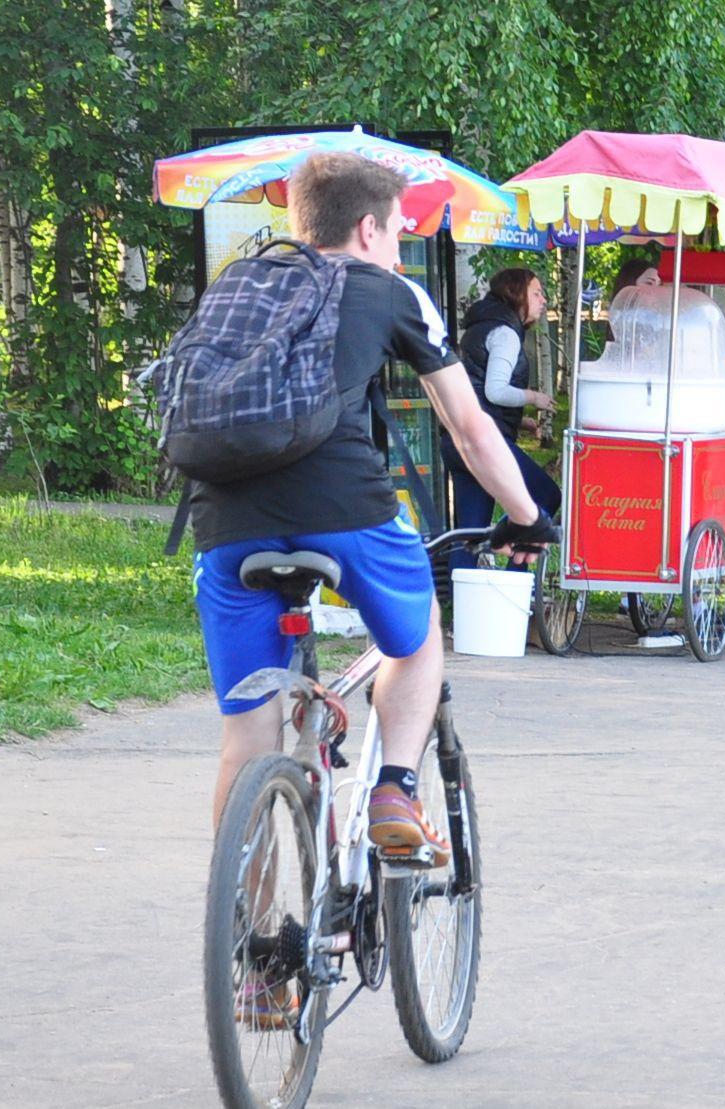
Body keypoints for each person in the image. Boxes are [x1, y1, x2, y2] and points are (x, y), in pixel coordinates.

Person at [189, 152, 556, 860]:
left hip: (225, 522)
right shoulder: (392, 293)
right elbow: (471, 428)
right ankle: (394, 785)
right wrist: (527, 516)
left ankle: (253, 948)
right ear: (367, 229)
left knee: (246, 735)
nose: (396, 248)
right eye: (396, 234)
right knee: (418, 636)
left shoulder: (238, 285)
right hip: (346, 511)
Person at [441, 268, 562, 573]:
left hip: (456, 439)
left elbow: (476, 391)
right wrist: (534, 398)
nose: (543, 300)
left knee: (470, 531)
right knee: (546, 494)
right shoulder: (506, 333)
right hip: (482, 440)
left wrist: (521, 423)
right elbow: (495, 391)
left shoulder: (480, 327)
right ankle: (515, 577)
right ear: (516, 294)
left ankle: (463, 607)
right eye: (536, 293)